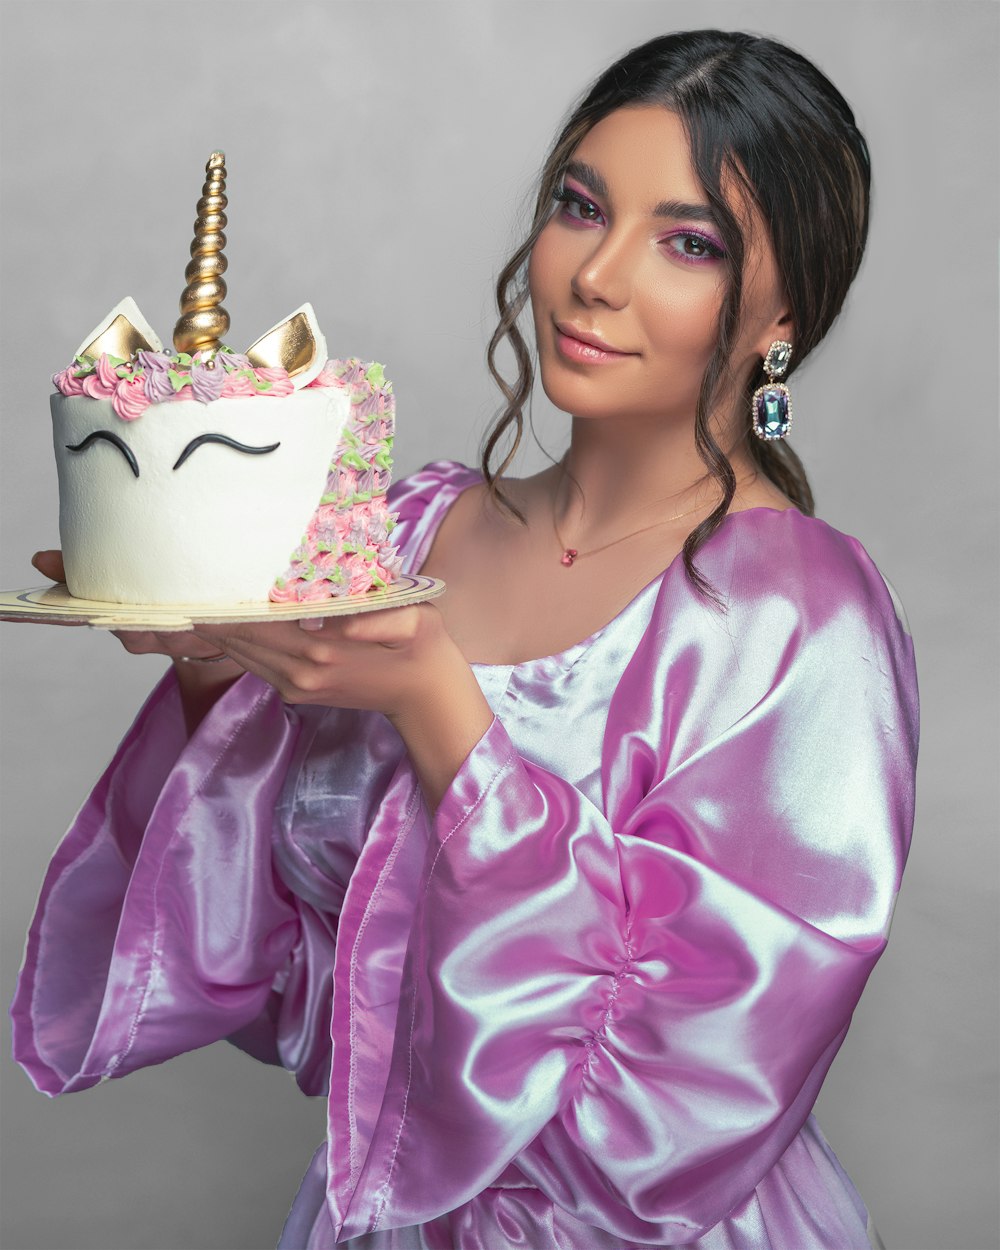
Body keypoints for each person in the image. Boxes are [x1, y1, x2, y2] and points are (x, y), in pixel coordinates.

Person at [11, 29, 918, 1250]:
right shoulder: (399, 535)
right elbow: (287, 984)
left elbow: (672, 1123)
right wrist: (220, 679)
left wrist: (443, 711)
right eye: (577, 205)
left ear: (781, 312)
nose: (595, 275)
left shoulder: (801, 619)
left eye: (687, 241)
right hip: (376, 1217)